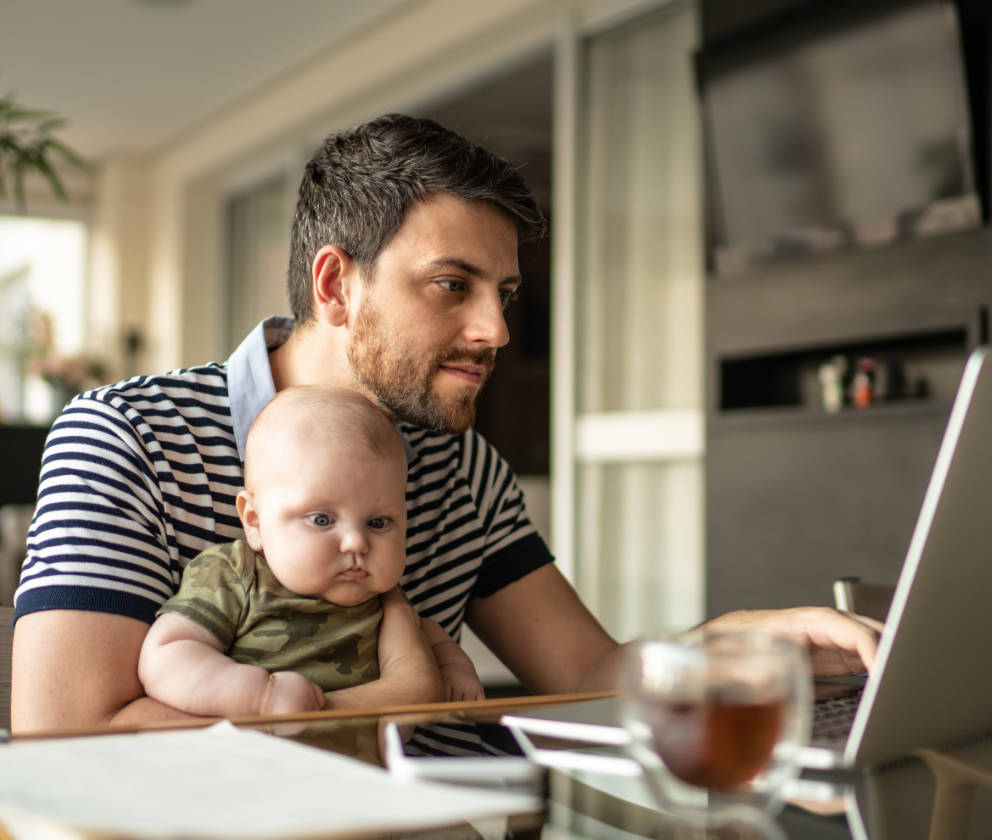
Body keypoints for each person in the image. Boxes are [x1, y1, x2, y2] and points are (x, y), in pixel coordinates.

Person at [11, 113, 881, 733]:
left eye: (502, 295)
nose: (496, 331)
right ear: (335, 287)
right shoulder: (128, 436)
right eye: (450, 285)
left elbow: (583, 675)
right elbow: (63, 736)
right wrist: (359, 709)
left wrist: (732, 644)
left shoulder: (466, 473)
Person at [138, 385, 483, 717]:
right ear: (255, 522)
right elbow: (166, 654)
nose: (356, 543)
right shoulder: (236, 575)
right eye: (321, 519)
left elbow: (432, 638)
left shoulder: (380, 599)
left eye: (378, 523)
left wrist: (453, 669)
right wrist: (260, 695)